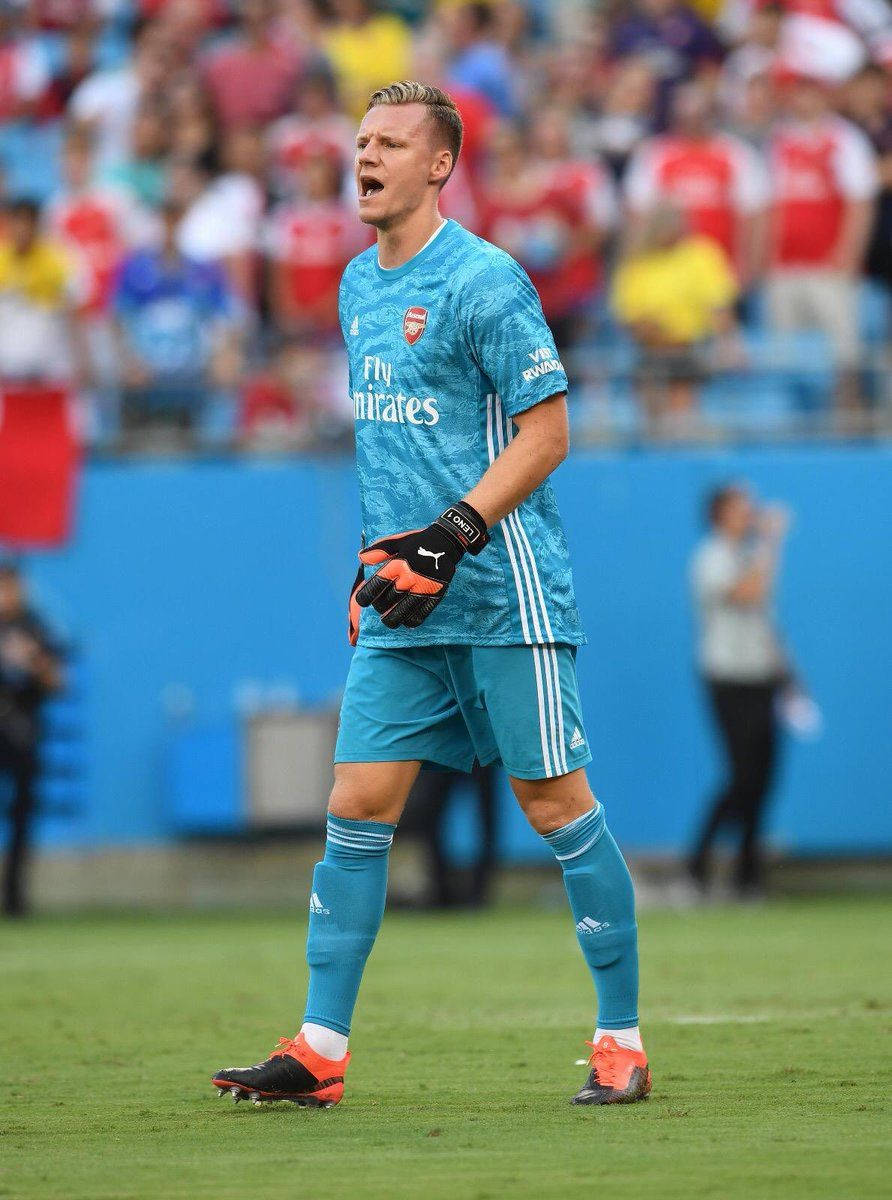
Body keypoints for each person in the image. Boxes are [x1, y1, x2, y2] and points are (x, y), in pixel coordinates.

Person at [212, 81, 650, 1110]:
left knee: (552, 803)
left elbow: (548, 436)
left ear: (439, 164)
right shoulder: (357, 284)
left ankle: (620, 1040)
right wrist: (379, 563)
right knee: (356, 804)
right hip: (407, 600)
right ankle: (320, 1049)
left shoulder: (487, 280)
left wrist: (452, 537)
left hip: (503, 590)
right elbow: (393, 448)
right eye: (359, 141)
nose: (363, 157)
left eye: (390, 143)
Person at [688, 484, 789, 897]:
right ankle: (697, 865)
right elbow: (750, 593)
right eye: (741, 506)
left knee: (763, 778)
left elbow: (763, 618)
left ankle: (749, 876)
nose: (750, 511)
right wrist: (770, 542)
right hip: (728, 680)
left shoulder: (745, 555)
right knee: (742, 776)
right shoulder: (711, 557)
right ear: (720, 513)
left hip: (762, 677)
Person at [0, 562, 63, 917]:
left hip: (23, 732)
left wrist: (35, 661)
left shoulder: (36, 627)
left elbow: (58, 682)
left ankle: (14, 900)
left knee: (22, 819)